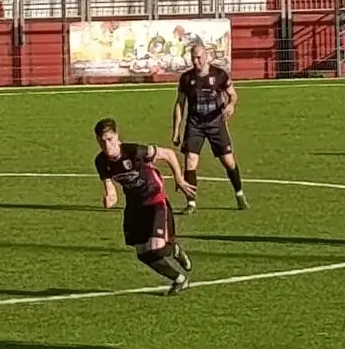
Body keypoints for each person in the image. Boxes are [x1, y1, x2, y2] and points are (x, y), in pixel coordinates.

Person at [93, 118, 196, 295]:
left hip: (155, 202)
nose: (106, 145)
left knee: (156, 248)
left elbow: (169, 154)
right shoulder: (101, 161)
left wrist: (179, 179)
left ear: (117, 137)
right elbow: (110, 188)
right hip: (134, 207)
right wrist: (110, 197)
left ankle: (174, 249)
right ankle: (179, 279)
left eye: (109, 140)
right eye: (102, 141)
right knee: (143, 253)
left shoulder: (136, 151)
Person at [172, 43, 246, 213]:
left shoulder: (219, 75)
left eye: (198, 57)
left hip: (216, 123)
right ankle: (191, 202)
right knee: (190, 161)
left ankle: (239, 193)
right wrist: (176, 130)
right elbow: (180, 104)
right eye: (193, 58)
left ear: (206, 57)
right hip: (195, 124)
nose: (195, 61)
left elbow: (233, 94)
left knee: (228, 161)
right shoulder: (186, 78)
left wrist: (232, 105)